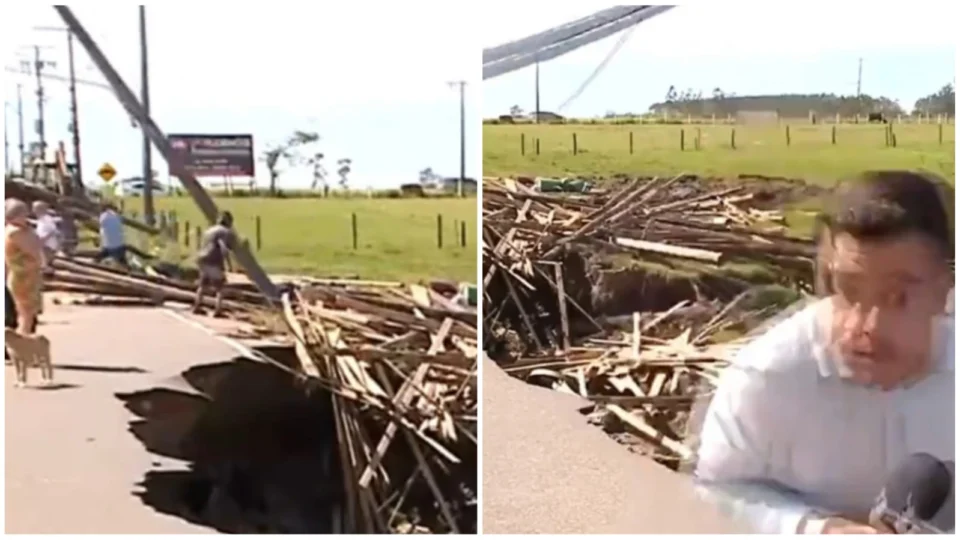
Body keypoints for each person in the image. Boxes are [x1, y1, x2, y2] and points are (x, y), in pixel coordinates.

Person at [694, 170, 954, 534]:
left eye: (897, 298)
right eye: (847, 290)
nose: (865, 326)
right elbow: (713, 492)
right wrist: (818, 529)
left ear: (944, 291)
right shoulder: (768, 378)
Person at [5, 198, 44, 336]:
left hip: (25, 276)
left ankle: (23, 342)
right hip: (22, 277)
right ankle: (21, 343)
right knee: (26, 315)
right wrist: (31, 233)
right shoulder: (15, 232)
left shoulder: (16, 230)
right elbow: (33, 249)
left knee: (27, 314)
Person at [192, 211, 238, 317]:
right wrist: (229, 264)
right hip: (214, 260)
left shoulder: (209, 231)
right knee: (220, 287)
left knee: (202, 285)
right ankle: (218, 310)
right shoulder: (225, 232)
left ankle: (197, 306)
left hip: (202, 259)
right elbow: (223, 246)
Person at [94, 203, 128, 267]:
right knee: (122, 261)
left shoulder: (103, 216)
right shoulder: (116, 215)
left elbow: (99, 226)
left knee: (99, 258)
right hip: (120, 245)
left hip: (110, 246)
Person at [32, 201, 61, 270]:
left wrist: (43, 240)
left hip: (47, 245)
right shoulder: (41, 219)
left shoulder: (47, 219)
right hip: (43, 245)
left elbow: (53, 231)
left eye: (36, 208)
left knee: (45, 263)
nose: (34, 210)